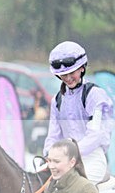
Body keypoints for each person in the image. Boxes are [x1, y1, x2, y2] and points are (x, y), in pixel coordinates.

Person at [44, 41, 113, 184]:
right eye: (63, 75)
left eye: (71, 73)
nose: (68, 78)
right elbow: (53, 135)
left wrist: (68, 154)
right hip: (64, 160)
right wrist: (48, 154)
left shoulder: (94, 95)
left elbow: (95, 135)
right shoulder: (57, 100)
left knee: (75, 187)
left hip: (92, 158)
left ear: (82, 68)